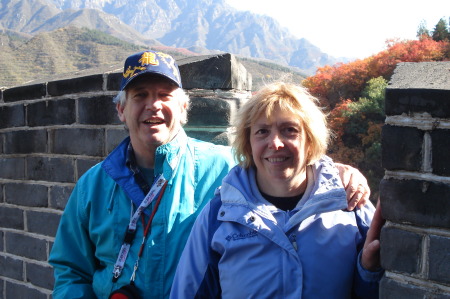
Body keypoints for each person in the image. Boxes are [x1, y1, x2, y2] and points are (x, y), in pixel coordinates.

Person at [49, 51, 372, 299]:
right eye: (140, 96)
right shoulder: (93, 184)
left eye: (165, 95)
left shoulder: (224, 166)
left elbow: (280, 159)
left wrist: (337, 171)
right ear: (121, 109)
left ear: (185, 107)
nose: (153, 105)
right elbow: (70, 268)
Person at [170, 82, 385, 299]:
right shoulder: (219, 216)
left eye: (289, 130)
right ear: (248, 143)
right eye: (262, 131)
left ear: (310, 140)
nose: (275, 143)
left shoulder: (349, 203)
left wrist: (369, 273)